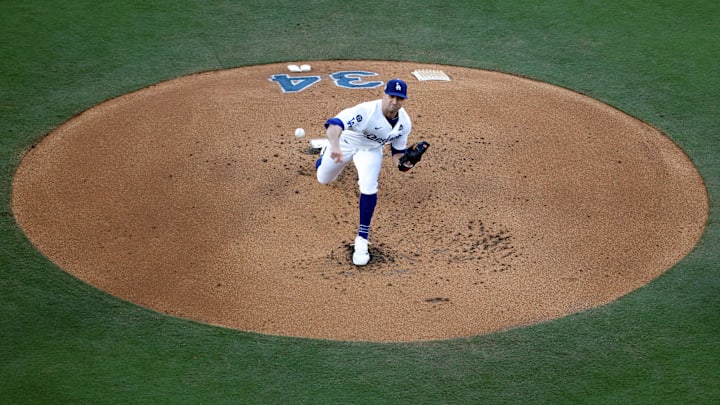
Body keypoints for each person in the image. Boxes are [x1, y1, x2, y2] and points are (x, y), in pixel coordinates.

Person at [315, 78, 414, 266]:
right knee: (324, 178)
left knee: (369, 186)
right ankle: (325, 153)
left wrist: (405, 163)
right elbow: (334, 125)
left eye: (399, 99)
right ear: (384, 95)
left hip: (370, 150)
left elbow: (397, 153)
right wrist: (335, 146)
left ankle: (362, 238)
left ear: (404, 100)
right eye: (392, 96)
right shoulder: (366, 112)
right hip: (344, 143)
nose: (394, 102)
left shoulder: (404, 123)